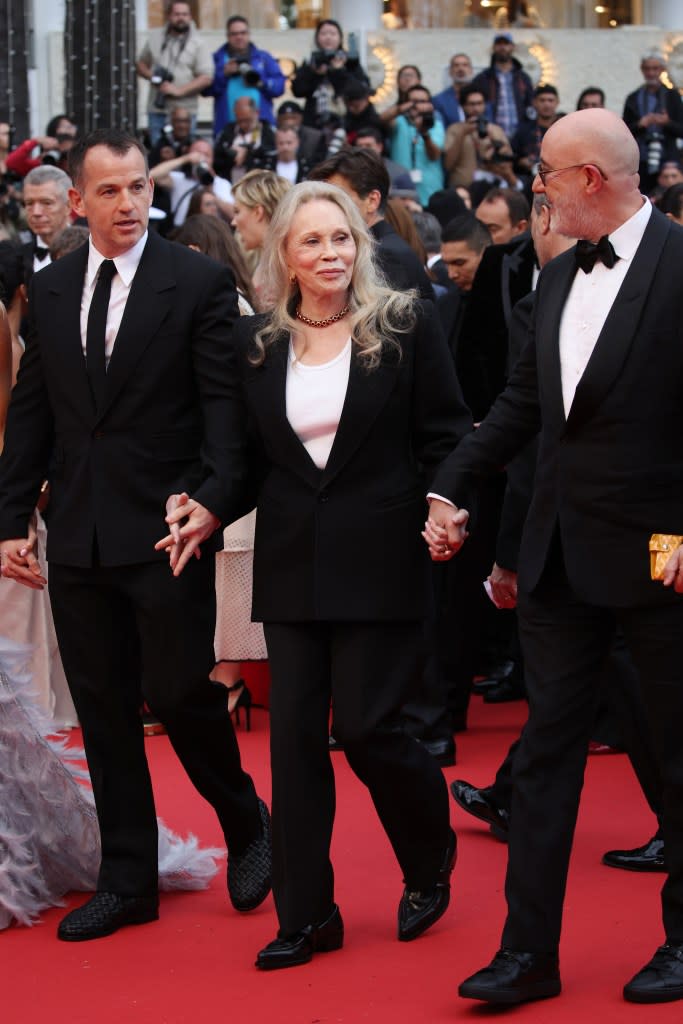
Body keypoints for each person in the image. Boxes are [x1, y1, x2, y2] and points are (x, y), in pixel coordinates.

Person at [160, 178, 473, 969]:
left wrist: (445, 504)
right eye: (312, 242)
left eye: (340, 239)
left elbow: (444, 433)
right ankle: (306, 916)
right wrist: (204, 507)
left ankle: (428, 852)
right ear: (284, 256)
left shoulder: (402, 324)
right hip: (293, 561)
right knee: (295, 744)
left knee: (368, 730)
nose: (329, 253)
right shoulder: (254, 343)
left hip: (382, 557)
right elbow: (237, 459)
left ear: (358, 246)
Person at [425, 108, 683, 1006]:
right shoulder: (558, 281)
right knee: (540, 761)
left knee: (676, 754)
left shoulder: (681, 266)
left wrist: (679, 546)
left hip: (660, 563)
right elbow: (516, 411)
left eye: (546, 172)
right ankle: (526, 952)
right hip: (558, 563)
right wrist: (451, 482)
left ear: (590, 180)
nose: (534, 186)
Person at [0, 128, 271, 942]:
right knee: (104, 709)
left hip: (166, 530)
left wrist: (215, 504)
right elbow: (34, 414)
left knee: (181, 692)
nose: (127, 205)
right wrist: (11, 520)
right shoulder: (48, 292)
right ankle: (128, 878)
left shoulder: (195, 282)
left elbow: (227, 416)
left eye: (138, 189)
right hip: (77, 532)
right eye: (109, 192)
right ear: (77, 203)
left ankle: (247, 819)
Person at [308, 148, 435, 300]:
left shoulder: (384, 256)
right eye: (326, 199)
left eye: (339, 198)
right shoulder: (376, 248)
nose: (328, 207)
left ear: (372, 201)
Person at [136, 1, 213, 145]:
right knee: (157, 153)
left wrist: (178, 91)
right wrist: (153, 77)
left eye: (185, 14)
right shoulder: (155, 37)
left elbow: (206, 77)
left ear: (190, 17)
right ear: (168, 16)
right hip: (158, 108)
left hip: (185, 111)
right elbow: (141, 64)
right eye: (176, 14)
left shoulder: (198, 42)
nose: (181, 18)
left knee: (184, 151)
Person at [208, 15, 285, 138]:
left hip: (259, 128)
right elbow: (206, 90)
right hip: (227, 128)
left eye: (243, 33)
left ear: (249, 34)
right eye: (234, 34)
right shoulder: (217, 59)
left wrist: (260, 81)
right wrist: (224, 74)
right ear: (227, 36)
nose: (239, 37)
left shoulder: (263, 58)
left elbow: (279, 88)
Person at [291, 19, 369, 139]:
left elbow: (359, 92)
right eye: (323, 34)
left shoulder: (350, 61)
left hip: (345, 123)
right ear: (317, 38)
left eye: (333, 34)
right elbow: (297, 90)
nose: (328, 37)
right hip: (314, 124)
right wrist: (316, 74)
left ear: (340, 38)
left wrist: (338, 71)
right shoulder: (311, 61)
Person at [623, 51, 683, 195]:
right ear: (642, 70)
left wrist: (666, 123)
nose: (651, 73)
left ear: (662, 70)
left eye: (655, 68)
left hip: (667, 159)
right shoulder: (633, 98)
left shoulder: (673, 96)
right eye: (647, 69)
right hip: (641, 160)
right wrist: (641, 124)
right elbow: (624, 131)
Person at [230, 169, 291, 312]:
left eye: (237, 211)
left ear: (258, 212)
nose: (233, 222)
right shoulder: (267, 257)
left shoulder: (285, 262)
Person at [443, 85, 516, 191]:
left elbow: (508, 162)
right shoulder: (454, 129)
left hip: (490, 189)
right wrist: (462, 133)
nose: (476, 108)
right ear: (463, 106)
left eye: (479, 103)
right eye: (471, 104)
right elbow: (448, 165)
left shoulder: (495, 130)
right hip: (462, 189)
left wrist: (492, 136)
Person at [470, 33, 534, 142]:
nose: (503, 47)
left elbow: (531, 108)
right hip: (491, 137)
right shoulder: (482, 78)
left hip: (520, 139)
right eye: (499, 44)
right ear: (494, 48)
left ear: (512, 47)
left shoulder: (523, 78)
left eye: (506, 44)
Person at [389, 84, 445, 208]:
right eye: (414, 101)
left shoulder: (435, 124)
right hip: (401, 195)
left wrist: (425, 133)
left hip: (430, 192)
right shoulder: (399, 121)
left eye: (423, 101)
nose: (419, 106)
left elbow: (434, 155)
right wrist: (401, 108)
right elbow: (381, 119)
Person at [21, 166, 73, 280]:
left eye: (46, 203)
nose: (36, 212)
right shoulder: (16, 259)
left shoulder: (93, 250)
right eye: (29, 203)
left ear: (68, 206)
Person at [213, 96, 276, 185]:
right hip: (231, 185)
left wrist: (247, 154)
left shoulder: (269, 132)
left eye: (247, 120)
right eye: (240, 121)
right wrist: (231, 155)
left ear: (257, 112)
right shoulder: (227, 132)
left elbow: (273, 154)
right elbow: (217, 158)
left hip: (259, 186)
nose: (243, 125)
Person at [433, 54, 474, 129]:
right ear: (450, 71)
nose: (460, 69)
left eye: (465, 65)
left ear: (471, 70)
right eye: (456, 65)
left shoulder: (483, 98)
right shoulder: (439, 100)